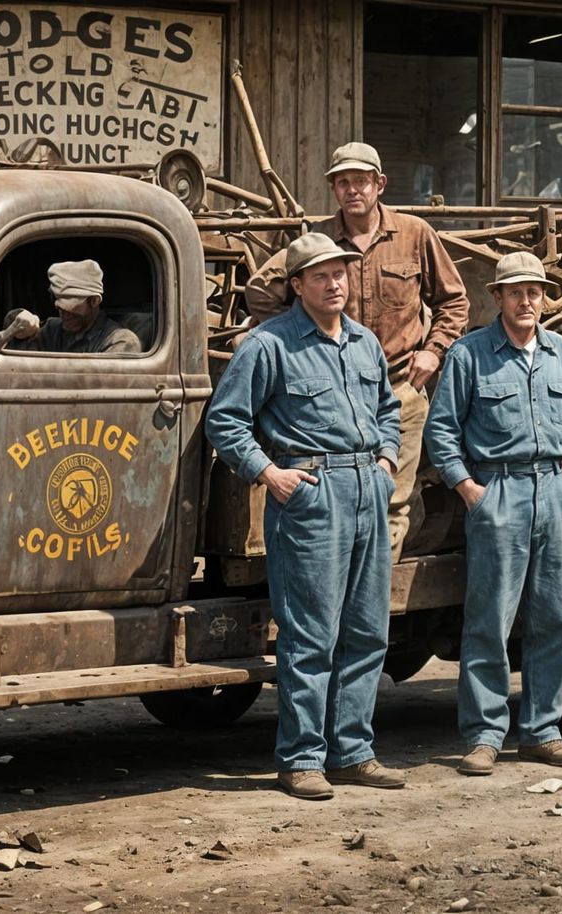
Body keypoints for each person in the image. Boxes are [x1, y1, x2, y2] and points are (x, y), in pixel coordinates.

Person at [205, 232, 404, 799]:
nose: (335, 283)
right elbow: (225, 420)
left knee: (367, 632)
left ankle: (352, 752)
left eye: (340, 272)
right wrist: (270, 474)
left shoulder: (364, 342)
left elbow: (388, 409)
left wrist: (386, 460)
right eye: (321, 276)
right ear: (297, 286)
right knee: (311, 634)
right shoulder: (268, 345)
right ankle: (301, 759)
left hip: (367, 489)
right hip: (311, 494)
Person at [243, 142, 468, 562]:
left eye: (361, 181)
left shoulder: (415, 234)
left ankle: (373, 594)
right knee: (338, 503)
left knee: (392, 503)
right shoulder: (318, 238)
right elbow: (259, 290)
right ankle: (342, 587)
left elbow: (453, 301)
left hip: (400, 390)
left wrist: (434, 351)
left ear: (379, 184)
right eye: (342, 182)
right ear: (333, 188)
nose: (352, 190)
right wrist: (300, 339)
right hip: (333, 397)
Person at [424, 250, 562, 777]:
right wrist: (470, 490)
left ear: (545, 299)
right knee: (489, 621)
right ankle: (484, 736)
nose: (526, 301)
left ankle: (543, 732)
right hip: (499, 493)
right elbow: (441, 430)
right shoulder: (470, 354)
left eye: (534, 292)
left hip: (556, 491)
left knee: (555, 618)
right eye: (516, 292)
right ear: (497, 297)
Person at [8, 260, 141, 355]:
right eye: (58, 303)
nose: (63, 312)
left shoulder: (120, 341)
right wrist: (18, 323)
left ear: (94, 301)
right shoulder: (53, 330)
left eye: (70, 304)